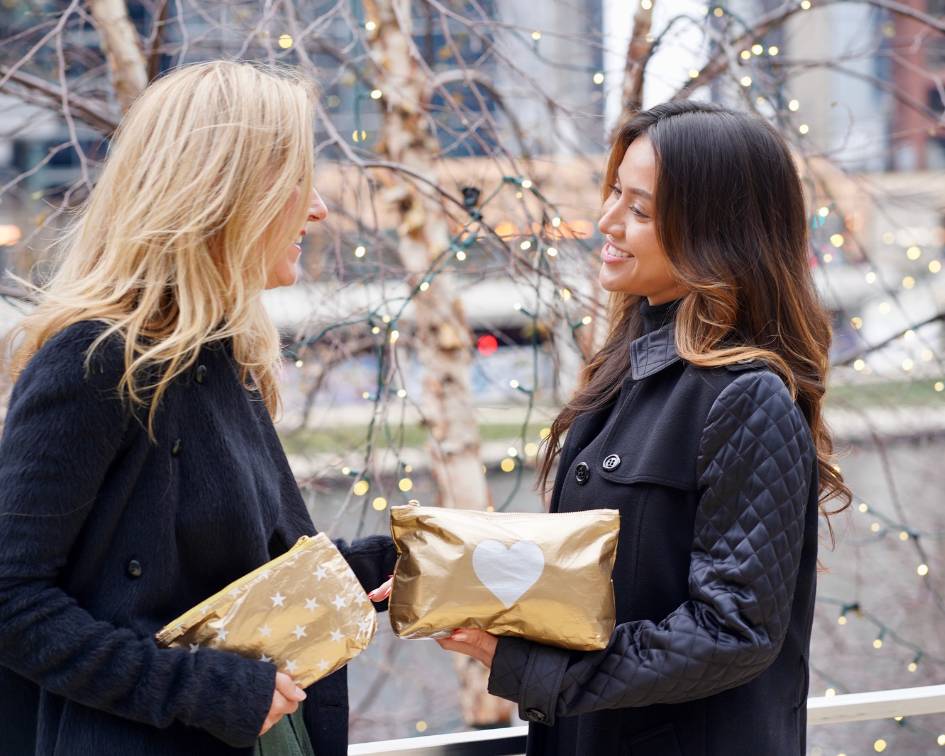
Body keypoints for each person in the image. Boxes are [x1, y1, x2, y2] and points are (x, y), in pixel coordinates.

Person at [0, 61, 395, 756]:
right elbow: (9, 600)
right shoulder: (97, 362)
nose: (318, 209)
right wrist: (203, 689)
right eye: (299, 182)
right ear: (227, 194)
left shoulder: (221, 359)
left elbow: (223, 579)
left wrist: (392, 562)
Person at [437, 101, 851, 755]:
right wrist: (411, 562)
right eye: (613, 196)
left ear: (716, 232)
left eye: (639, 210)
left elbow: (732, 629)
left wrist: (538, 669)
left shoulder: (745, 398)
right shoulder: (627, 370)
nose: (605, 222)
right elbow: (599, 572)